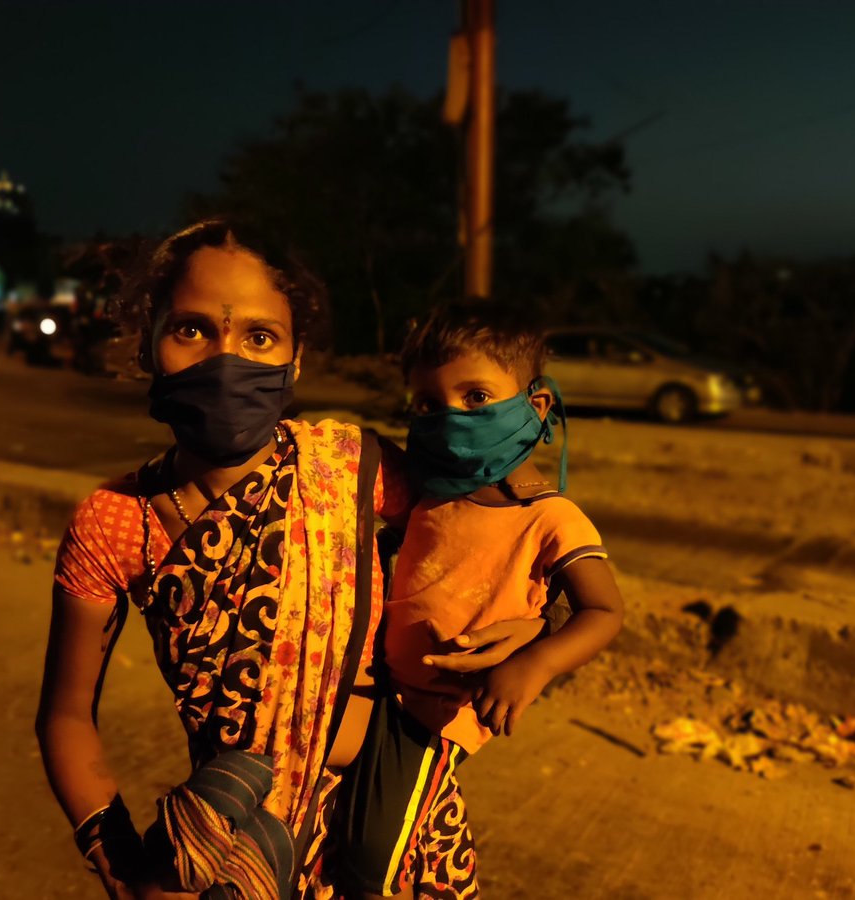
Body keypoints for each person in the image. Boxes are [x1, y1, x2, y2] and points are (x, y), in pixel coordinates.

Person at [36, 219, 541, 900]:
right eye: (192, 329)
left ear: (296, 360)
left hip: (399, 832)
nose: (226, 359)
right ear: (150, 343)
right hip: (238, 850)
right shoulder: (116, 522)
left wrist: (546, 624)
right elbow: (65, 714)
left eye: (259, 336)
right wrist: (121, 863)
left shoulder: (356, 469)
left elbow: (502, 536)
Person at [338, 300, 625, 899]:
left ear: (536, 405)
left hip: (439, 713)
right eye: (428, 404)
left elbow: (603, 610)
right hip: (379, 684)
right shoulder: (426, 493)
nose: (451, 418)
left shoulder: (550, 517)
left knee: (370, 859)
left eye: (476, 398)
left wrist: (533, 663)